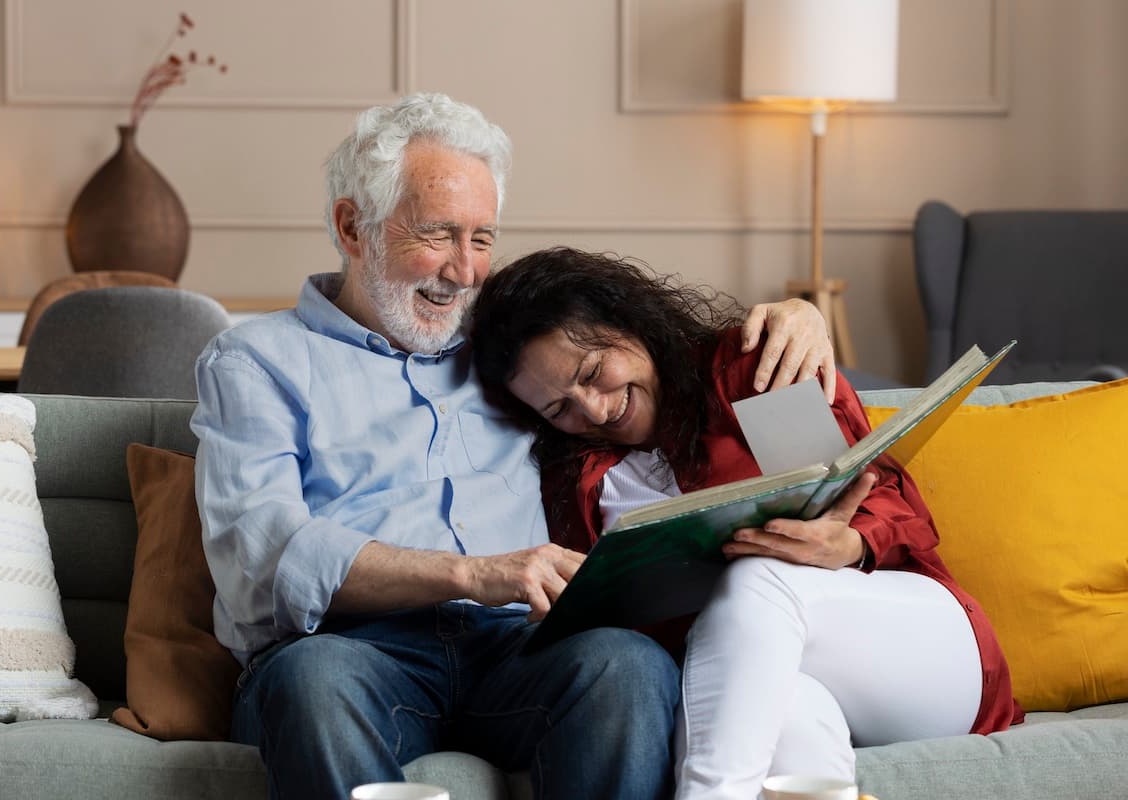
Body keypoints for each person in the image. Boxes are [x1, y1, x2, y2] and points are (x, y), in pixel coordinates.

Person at [190, 93, 835, 800]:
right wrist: (470, 574)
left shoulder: (511, 357)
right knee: (311, 681)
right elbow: (263, 556)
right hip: (351, 653)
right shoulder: (256, 361)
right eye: (438, 234)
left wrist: (796, 318)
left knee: (625, 663)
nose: (465, 270)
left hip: (515, 654)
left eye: (483, 238)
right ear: (352, 225)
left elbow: (645, 363)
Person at [469, 247, 1024, 800]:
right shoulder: (578, 478)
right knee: (775, 723)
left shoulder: (745, 375)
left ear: (626, 322)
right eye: (558, 409)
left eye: (592, 372)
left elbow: (895, 510)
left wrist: (850, 542)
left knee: (756, 576)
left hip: (919, 651)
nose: (591, 410)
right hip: (772, 684)